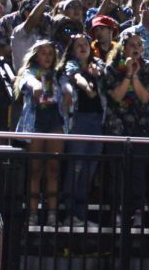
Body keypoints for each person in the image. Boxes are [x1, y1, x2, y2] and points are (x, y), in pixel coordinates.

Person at [102, 32, 149, 228]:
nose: (136, 49)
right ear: (123, 48)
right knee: (117, 171)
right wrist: (127, 73)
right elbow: (117, 96)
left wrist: (135, 75)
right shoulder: (111, 68)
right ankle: (117, 211)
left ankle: (137, 211)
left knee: (138, 172)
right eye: (131, 45)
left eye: (139, 45)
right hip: (117, 126)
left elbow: (145, 97)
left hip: (141, 126)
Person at [13, 40, 66, 227]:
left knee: (53, 168)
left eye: (50, 53)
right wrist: (37, 85)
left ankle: (52, 213)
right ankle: (33, 213)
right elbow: (30, 82)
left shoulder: (59, 74)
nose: (47, 57)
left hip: (54, 121)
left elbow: (66, 91)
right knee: (36, 170)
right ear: (36, 56)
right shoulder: (29, 72)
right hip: (36, 122)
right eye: (43, 53)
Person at [59, 33, 107, 229]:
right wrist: (86, 86)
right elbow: (76, 76)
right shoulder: (71, 65)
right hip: (78, 120)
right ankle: (68, 211)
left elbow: (103, 74)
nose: (82, 47)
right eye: (78, 45)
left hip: (98, 122)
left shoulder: (99, 65)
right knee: (76, 165)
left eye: (85, 44)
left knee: (90, 168)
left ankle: (80, 212)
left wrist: (97, 74)